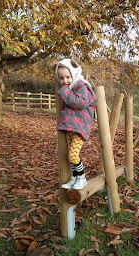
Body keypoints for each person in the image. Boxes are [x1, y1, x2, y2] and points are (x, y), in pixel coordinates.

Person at [54, 58, 97, 190]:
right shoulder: (72, 87)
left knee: (73, 154)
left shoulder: (81, 86)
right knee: (70, 154)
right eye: (61, 78)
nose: (64, 81)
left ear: (75, 74)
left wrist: (64, 91)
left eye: (68, 77)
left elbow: (79, 103)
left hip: (80, 127)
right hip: (71, 126)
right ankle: (75, 176)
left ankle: (82, 177)